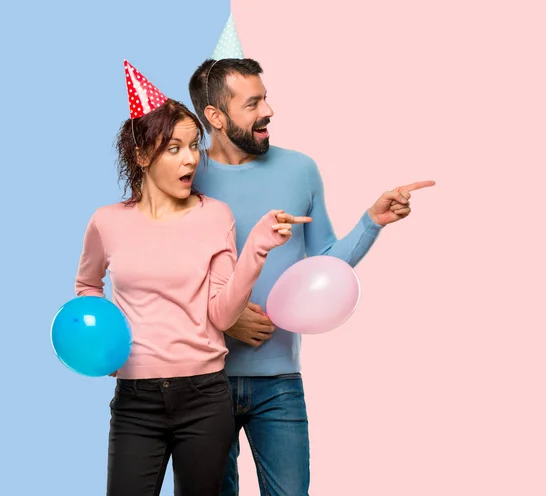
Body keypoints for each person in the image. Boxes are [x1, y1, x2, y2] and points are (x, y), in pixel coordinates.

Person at [188, 57, 435, 496]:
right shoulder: (187, 176)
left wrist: (371, 221)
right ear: (216, 117)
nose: (269, 110)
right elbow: (163, 273)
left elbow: (323, 261)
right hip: (202, 381)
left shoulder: (300, 169)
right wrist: (224, 317)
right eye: (254, 103)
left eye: (265, 97)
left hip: (280, 381)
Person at [74, 60, 310, 496]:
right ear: (142, 156)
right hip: (135, 401)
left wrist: (256, 248)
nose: (190, 159)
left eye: (193, 146)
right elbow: (87, 285)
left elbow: (222, 315)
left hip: (205, 397)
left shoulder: (214, 216)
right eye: (174, 149)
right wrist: (103, 341)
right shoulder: (106, 223)